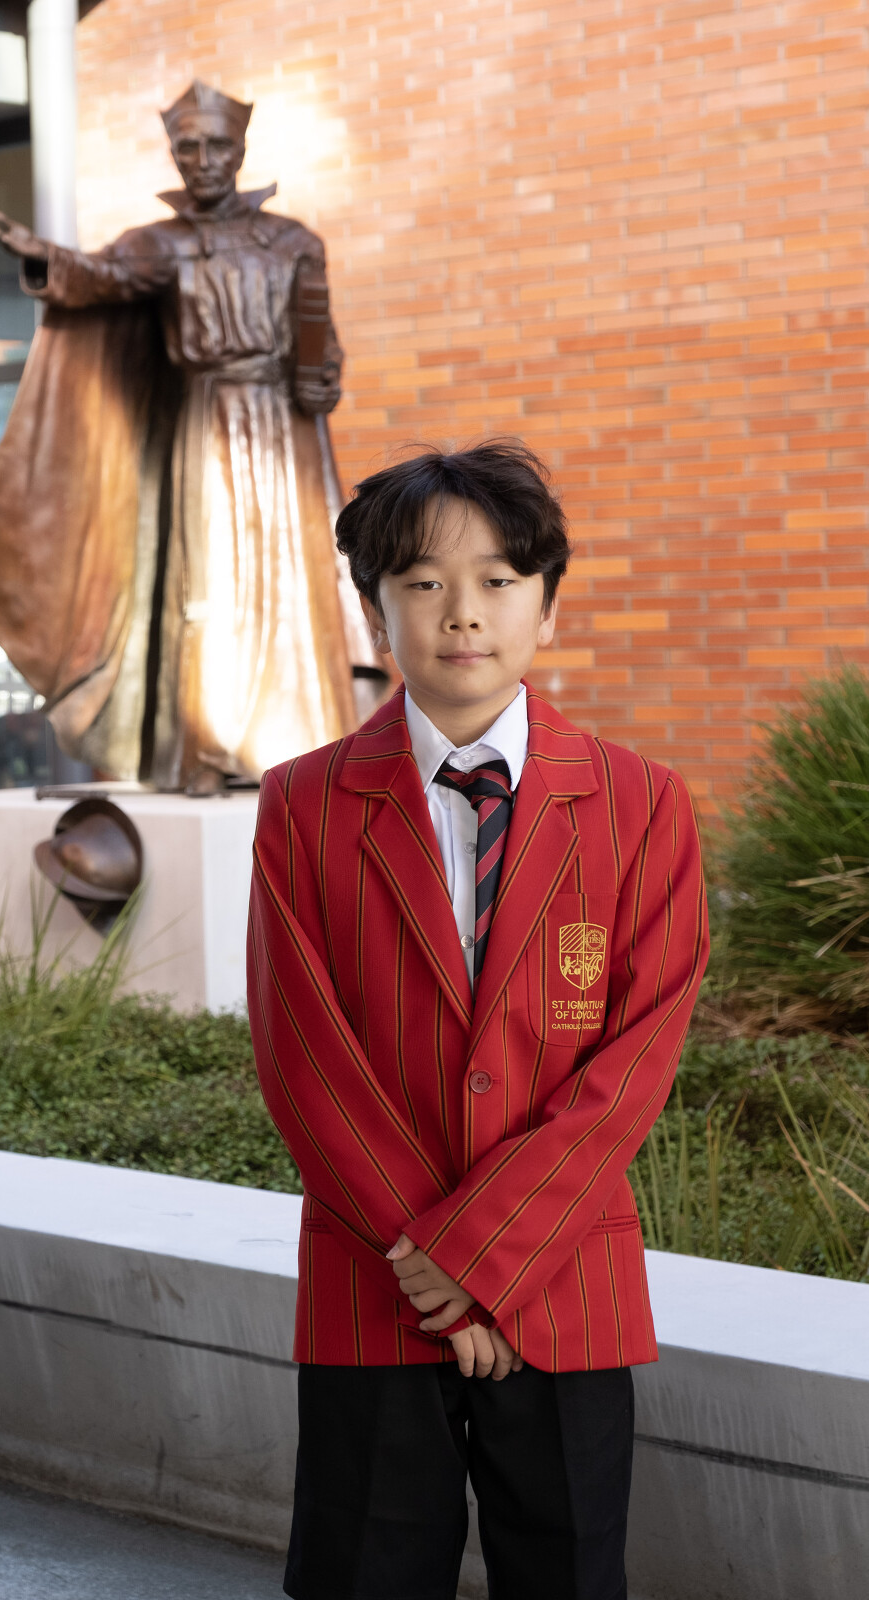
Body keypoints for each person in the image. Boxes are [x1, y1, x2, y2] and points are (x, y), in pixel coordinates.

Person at [247, 441, 709, 1600]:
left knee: (568, 1574)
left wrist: (481, 1259)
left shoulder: (641, 805)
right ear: (375, 610)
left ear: (547, 606)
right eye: (423, 582)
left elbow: (631, 1067)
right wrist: (436, 1269)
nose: (463, 613)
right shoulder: (303, 804)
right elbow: (304, 1057)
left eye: (499, 581)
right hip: (373, 1277)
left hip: (565, 1280)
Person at [0, 80, 376, 795]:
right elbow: (101, 278)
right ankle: (205, 748)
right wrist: (47, 257)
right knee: (206, 582)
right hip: (204, 427)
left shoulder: (295, 242)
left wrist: (320, 375)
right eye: (187, 147)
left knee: (289, 581)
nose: (202, 160)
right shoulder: (160, 244)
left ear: (239, 149)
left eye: (216, 145)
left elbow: (318, 342)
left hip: (282, 434)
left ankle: (295, 741)